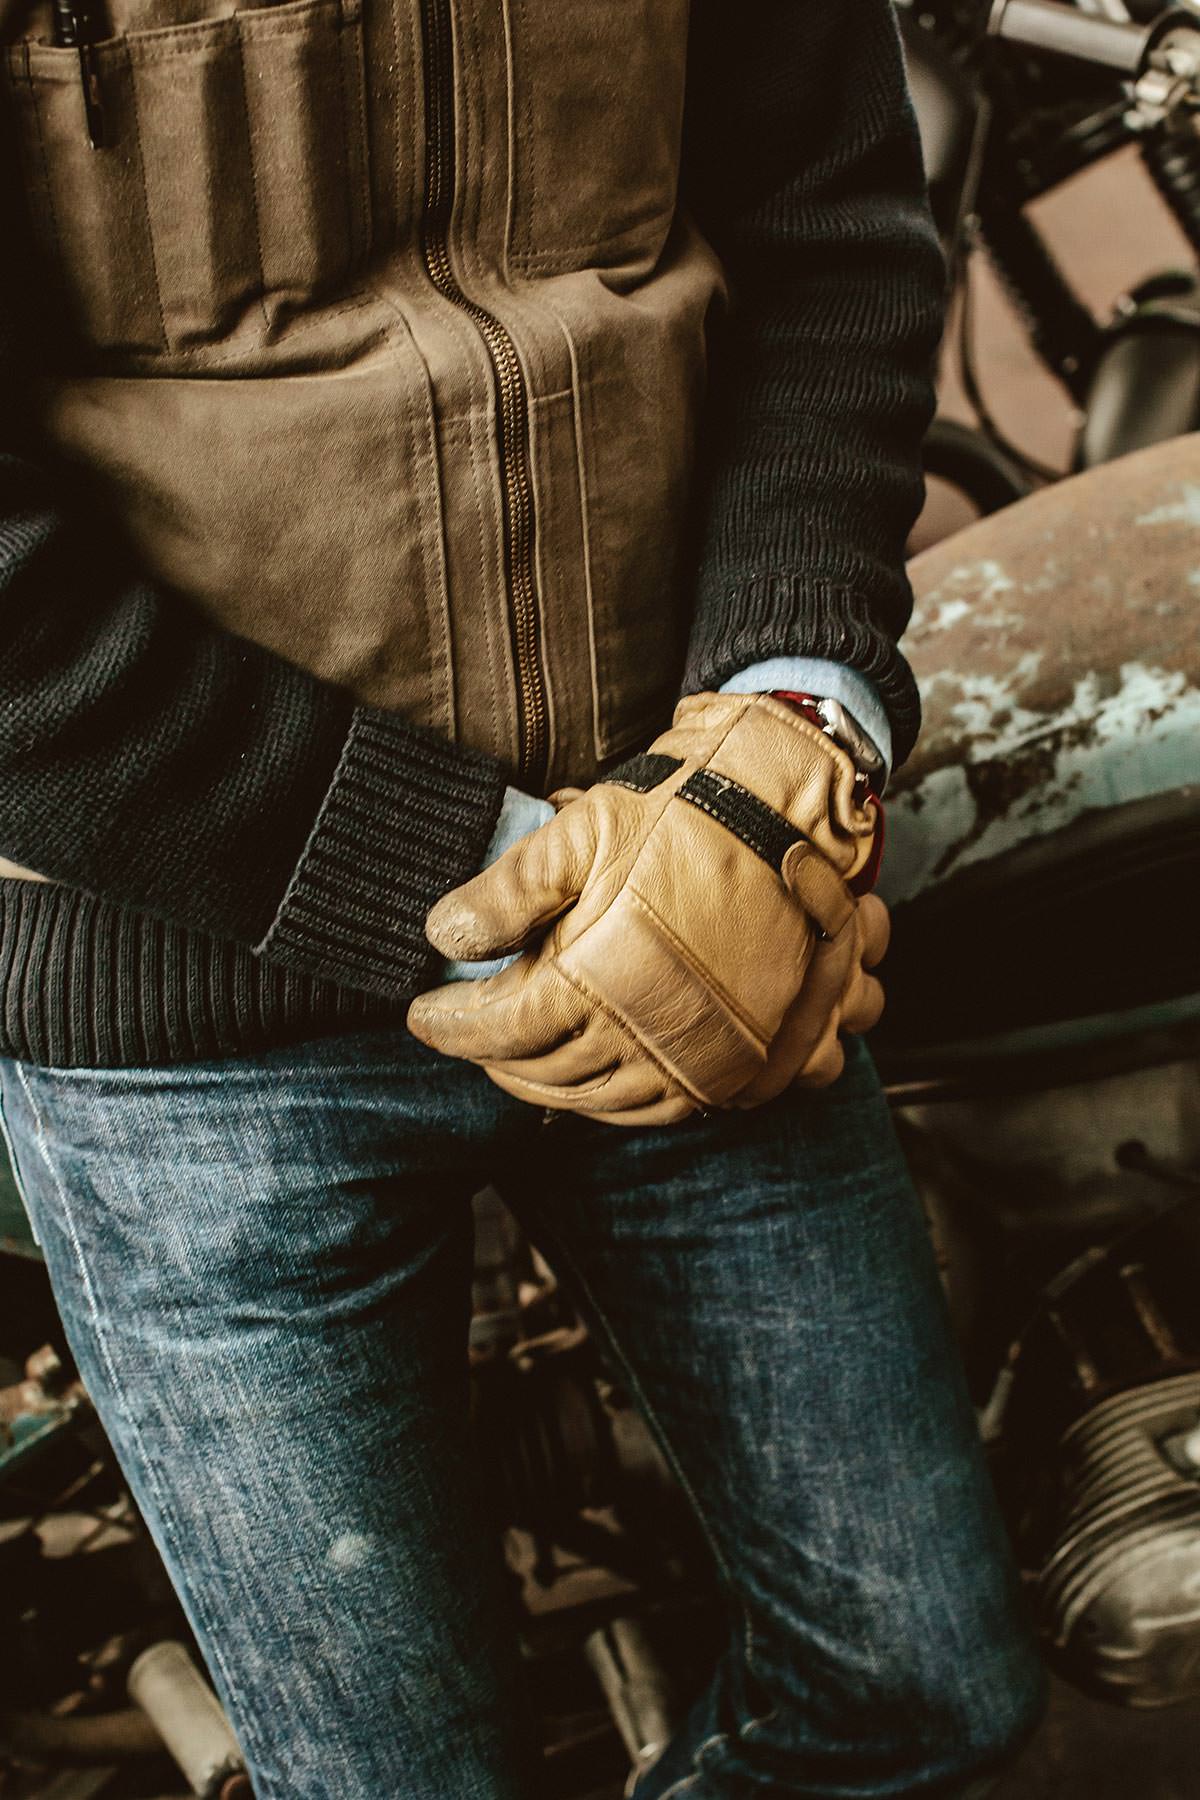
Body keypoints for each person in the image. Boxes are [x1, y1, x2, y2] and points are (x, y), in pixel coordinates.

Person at [0, 0, 1046, 1792]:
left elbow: (830, 225)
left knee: (927, 1691)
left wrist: (782, 718)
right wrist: (529, 884)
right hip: (189, 1023)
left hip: (685, 866)